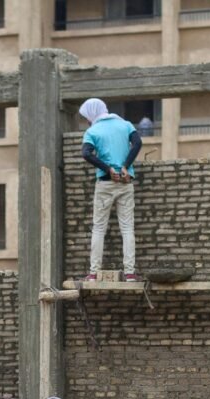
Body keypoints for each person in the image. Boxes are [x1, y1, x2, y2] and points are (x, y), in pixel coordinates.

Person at [79, 98, 142, 282]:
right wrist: (125, 166)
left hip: (105, 183)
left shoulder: (92, 131)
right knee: (127, 227)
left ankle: (93, 273)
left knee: (99, 228)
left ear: (92, 114)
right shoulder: (125, 124)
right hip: (125, 181)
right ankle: (130, 273)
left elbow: (86, 153)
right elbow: (137, 143)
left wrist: (107, 169)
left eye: (86, 117)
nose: (87, 121)